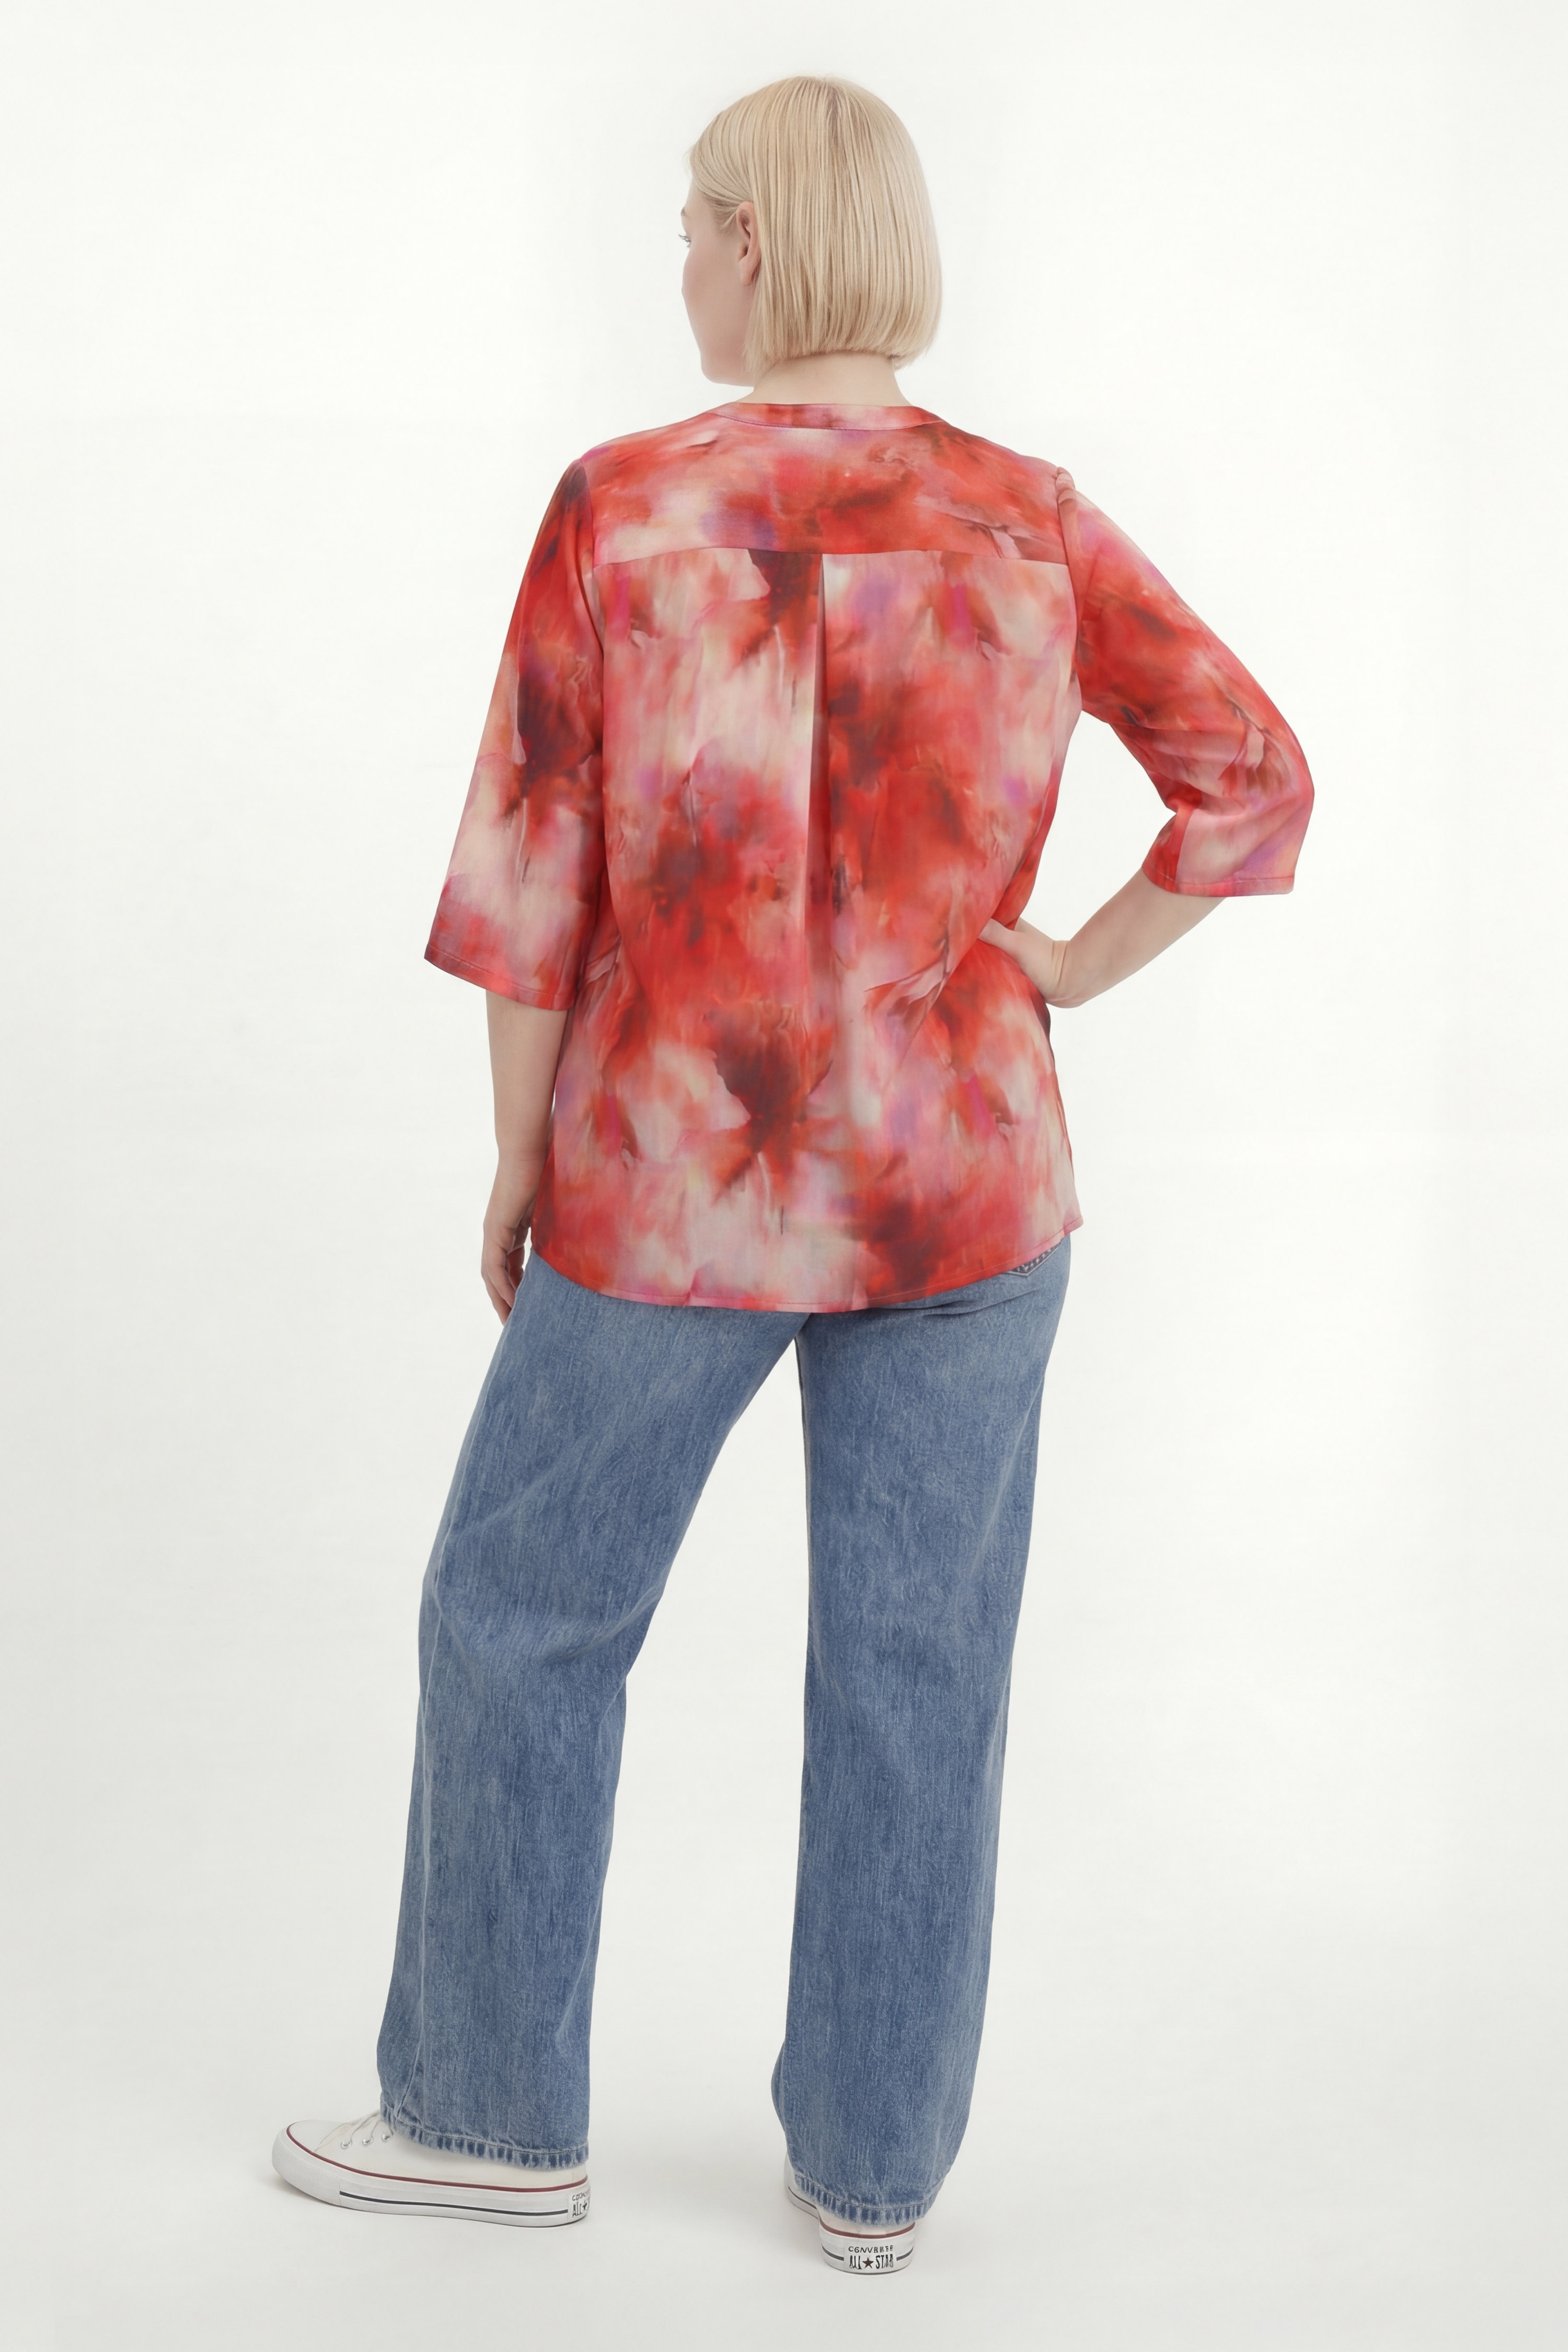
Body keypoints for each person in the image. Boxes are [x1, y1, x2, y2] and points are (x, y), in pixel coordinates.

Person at [272, 74, 1312, 2276]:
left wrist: (516, 1150)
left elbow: (532, 868)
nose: (677, 262)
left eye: (690, 225)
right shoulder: (1029, 519)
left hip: (674, 1186)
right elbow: (1249, 774)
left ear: (755, 241)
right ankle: (872, 2176)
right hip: (967, 1183)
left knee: (523, 1611)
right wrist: (1066, 968)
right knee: (920, 1671)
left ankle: (482, 2114)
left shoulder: (624, 508)